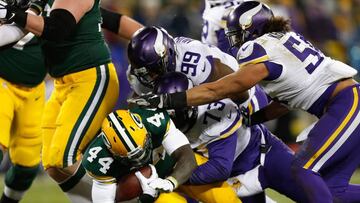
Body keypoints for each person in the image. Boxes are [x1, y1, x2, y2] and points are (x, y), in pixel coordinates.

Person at [130, 1, 360, 202]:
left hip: (343, 103)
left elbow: (224, 89)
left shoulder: (257, 47)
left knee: (303, 170)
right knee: (332, 190)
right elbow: (285, 101)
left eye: (237, 34)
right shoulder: (284, 40)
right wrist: (255, 118)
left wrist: (168, 100)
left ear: (253, 28)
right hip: (343, 102)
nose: (236, 42)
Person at [0, 1, 144, 202]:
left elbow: (57, 29)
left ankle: (125, 198)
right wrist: (14, 14)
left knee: (64, 158)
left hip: (89, 77)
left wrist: (153, 37)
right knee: (53, 164)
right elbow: (20, 31)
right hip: (62, 84)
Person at [153, 72, 311, 203]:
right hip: (234, 181)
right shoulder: (159, 124)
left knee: (319, 196)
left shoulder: (215, 110)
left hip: (265, 156)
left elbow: (220, 168)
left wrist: (175, 177)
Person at [82, 109, 196, 203]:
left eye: (142, 149)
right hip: (140, 190)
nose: (140, 159)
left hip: (172, 167)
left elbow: (188, 158)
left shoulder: (155, 121)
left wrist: (171, 182)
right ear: (111, 151)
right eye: (131, 157)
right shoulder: (98, 159)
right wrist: (144, 199)